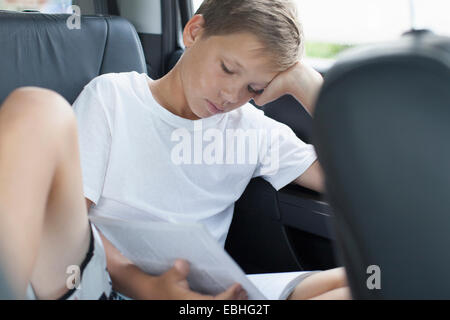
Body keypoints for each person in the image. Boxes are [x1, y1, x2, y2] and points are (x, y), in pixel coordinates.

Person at [0, 87, 349, 299]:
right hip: (102, 280)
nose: (232, 96)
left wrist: (304, 83)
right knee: (38, 107)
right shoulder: (114, 97)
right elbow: (75, 218)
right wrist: (145, 288)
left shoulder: (253, 129)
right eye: (227, 69)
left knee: (369, 282)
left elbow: (354, 180)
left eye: (253, 87)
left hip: (199, 297)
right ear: (193, 32)